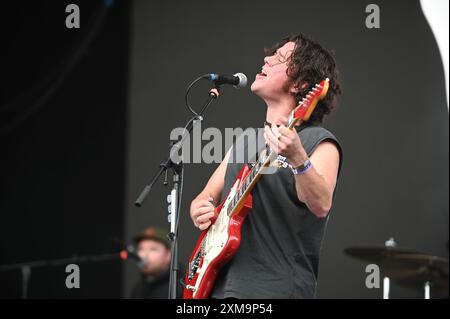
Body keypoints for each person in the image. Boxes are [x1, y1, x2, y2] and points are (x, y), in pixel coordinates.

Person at [189, 34, 343, 298]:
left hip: (275, 289)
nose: (266, 59)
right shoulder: (245, 141)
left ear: (302, 84)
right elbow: (205, 196)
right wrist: (199, 209)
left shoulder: (319, 142)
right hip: (218, 288)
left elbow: (321, 204)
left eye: (280, 58)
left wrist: (298, 159)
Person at [130, 226, 179, 299]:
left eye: (153, 249)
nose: (145, 254)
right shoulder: (138, 289)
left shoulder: (179, 288)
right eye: (141, 249)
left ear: (168, 255)